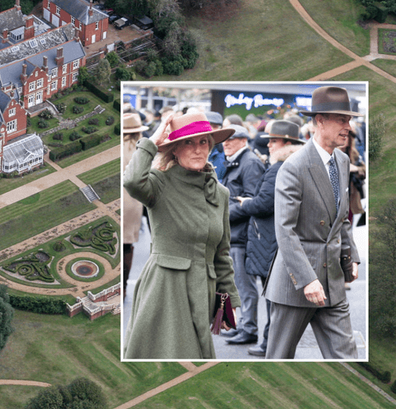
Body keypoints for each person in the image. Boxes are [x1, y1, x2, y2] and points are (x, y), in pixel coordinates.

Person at [123, 112, 239, 359]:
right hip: (165, 289)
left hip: (204, 292)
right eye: (188, 142)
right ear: (174, 149)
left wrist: (229, 303)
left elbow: (222, 253)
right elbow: (132, 181)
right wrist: (152, 140)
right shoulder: (159, 182)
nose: (198, 149)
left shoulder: (221, 194)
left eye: (203, 142)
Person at [265, 86, 361, 359]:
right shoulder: (293, 167)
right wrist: (307, 280)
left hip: (332, 283)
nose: (348, 127)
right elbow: (285, 230)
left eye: (349, 120)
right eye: (342, 119)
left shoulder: (341, 161)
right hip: (296, 287)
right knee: (278, 360)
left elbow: (340, 218)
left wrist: (350, 255)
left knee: (347, 360)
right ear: (320, 120)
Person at [235, 120, 305, 357]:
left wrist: (246, 203)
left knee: (272, 296)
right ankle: (270, 341)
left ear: (286, 143)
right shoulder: (296, 164)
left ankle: (269, 343)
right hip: (278, 238)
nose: (269, 145)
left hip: (269, 239)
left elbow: (265, 203)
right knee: (275, 297)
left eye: (273, 141)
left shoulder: (279, 167)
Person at [221, 125, 265, 345]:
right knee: (239, 284)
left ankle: (249, 328)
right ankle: (244, 326)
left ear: (243, 140)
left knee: (245, 286)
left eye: (232, 139)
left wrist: (221, 215)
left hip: (244, 235)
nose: (225, 143)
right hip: (236, 233)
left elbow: (251, 202)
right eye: (225, 140)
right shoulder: (241, 161)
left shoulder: (249, 163)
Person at [122, 113, 148, 292]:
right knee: (127, 246)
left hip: (121, 201)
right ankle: (123, 283)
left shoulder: (119, 148)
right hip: (133, 203)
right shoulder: (142, 152)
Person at [205, 111, 227, 181]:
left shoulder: (226, 151)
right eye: (208, 126)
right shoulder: (192, 148)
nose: (211, 130)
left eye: (215, 127)